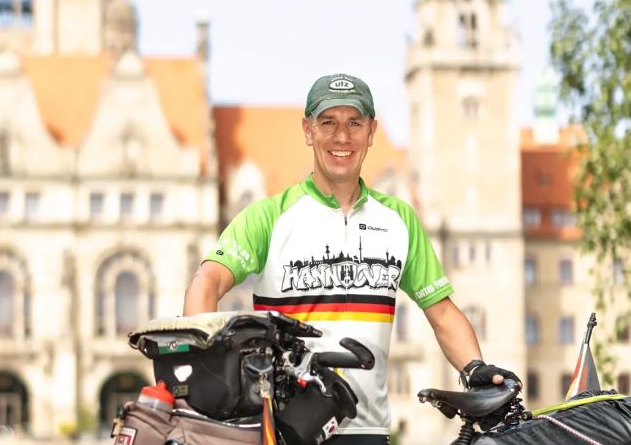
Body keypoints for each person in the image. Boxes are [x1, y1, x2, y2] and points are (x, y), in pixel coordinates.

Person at [182, 73, 520, 444]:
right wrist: (205, 371)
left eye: (354, 123)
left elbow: (440, 311)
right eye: (328, 122)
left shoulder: (399, 219)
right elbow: (207, 281)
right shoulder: (267, 216)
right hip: (284, 429)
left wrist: (475, 368)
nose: (341, 137)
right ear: (308, 130)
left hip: (368, 431)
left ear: (371, 131)